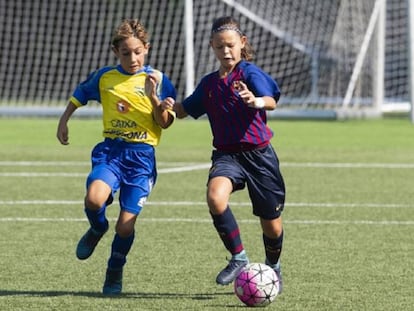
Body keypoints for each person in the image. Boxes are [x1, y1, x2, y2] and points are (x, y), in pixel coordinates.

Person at [163, 16, 286, 293]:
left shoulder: (250, 74)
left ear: (242, 43)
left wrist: (255, 101)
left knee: (272, 227)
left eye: (230, 45)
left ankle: (273, 267)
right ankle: (239, 257)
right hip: (226, 156)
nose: (226, 51)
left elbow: (271, 101)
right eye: (220, 47)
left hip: (259, 156)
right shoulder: (209, 85)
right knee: (215, 198)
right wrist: (167, 105)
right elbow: (183, 110)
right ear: (212, 47)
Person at [56, 19, 176, 295]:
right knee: (93, 199)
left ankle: (114, 268)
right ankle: (97, 228)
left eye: (137, 52)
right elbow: (79, 95)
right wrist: (64, 120)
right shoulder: (105, 77)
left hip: (141, 158)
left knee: (125, 226)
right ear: (115, 52)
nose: (133, 58)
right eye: (126, 53)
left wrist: (155, 98)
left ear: (146, 48)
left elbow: (165, 122)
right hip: (111, 152)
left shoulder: (158, 79)